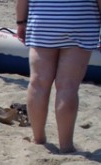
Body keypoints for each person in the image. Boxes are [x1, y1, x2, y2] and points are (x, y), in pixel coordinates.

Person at [16, 0, 101, 153]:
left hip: (43, 20)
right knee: (67, 86)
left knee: (38, 83)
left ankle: (38, 138)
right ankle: (66, 145)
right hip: (79, 22)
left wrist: (20, 21)